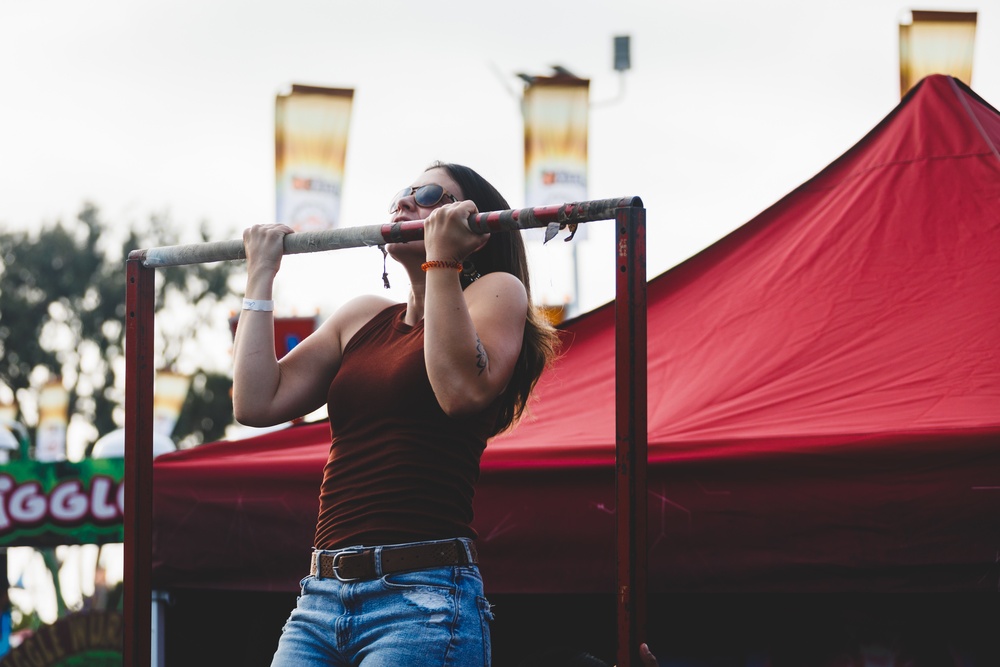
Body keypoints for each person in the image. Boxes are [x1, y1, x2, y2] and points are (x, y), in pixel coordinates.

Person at [232, 162, 560, 667]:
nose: (405, 203)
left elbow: (458, 391)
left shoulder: (497, 291)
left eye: (428, 194)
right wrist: (260, 277)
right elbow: (256, 402)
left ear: (476, 227)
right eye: (401, 195)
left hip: (421, 597)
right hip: (320, 596)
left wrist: (443, 264)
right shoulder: (361, 317)